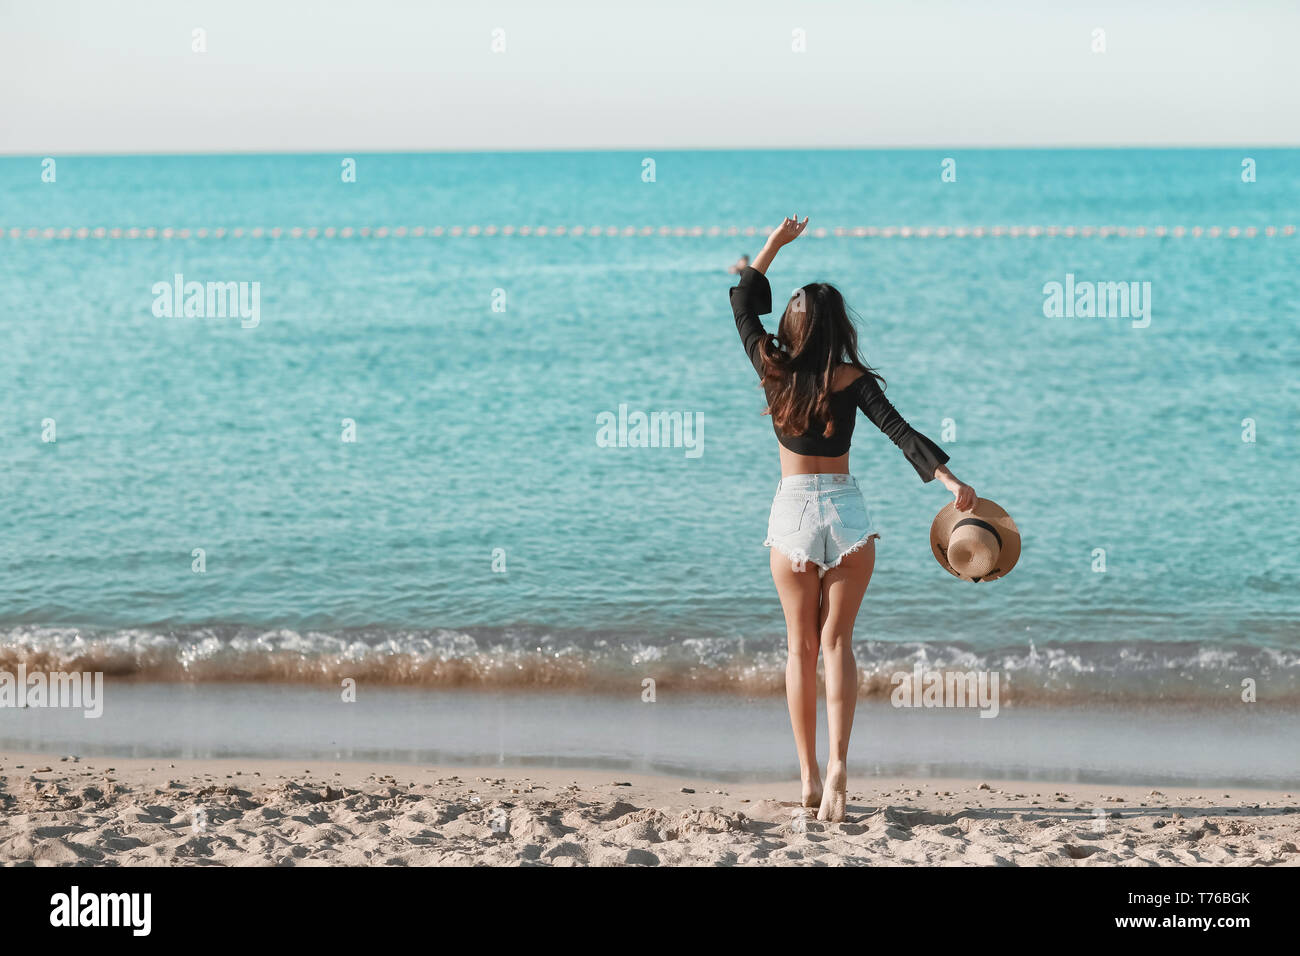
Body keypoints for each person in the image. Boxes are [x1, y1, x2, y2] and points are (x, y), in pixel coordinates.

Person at [729, 215, 976, 822]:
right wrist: (947, 479)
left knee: (800, 649)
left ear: (790, 327)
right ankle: (840, 765)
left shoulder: (772, 367)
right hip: (844, 511)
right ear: (840, 328)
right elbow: (899, 431)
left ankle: (809, 778)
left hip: (791, 512)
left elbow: (741, 304)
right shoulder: (852, 378)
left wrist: (772, 247)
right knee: (837, 643)